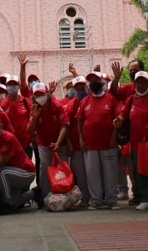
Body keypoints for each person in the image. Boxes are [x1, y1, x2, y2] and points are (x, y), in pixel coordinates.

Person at [114, 71, 148, 211]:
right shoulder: (131, 99)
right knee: (141, 171)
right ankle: (145, 199)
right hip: (137, 143)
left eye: (143, 83)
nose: (140, 85)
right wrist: (119, 120)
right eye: (138, 83)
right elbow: (123, 114)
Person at [77, 71, 120, 210]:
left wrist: (114, 136)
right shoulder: (85, 101)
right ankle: (96, 200)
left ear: (102, 82)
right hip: (90, 145)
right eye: (90, 80)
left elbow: (117, 121)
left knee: (110, 173)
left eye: (96, 79)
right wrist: (80, 138)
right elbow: (79, 121)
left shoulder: (110, 99)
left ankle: (111, 200)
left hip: (108, 144)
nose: (93, 82)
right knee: (92, 173)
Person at [0, 116, 37, 212]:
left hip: (26, 172)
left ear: (0, 127)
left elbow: (1, 161)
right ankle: (34, 193)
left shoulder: (8, 138)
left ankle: (8, 203)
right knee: (16, 203)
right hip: (10, 174)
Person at [28, 83, 70, 200]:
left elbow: (64, 126)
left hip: (59, 144)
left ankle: (64, 195)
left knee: (62, 169)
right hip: (44, 144)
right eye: (36, 95)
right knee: (45, 169)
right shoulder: (35, 109)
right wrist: (35, 118)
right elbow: (30, 130)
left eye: (41, 94)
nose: (39, 96)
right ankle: (46, 197)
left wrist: (58, 142)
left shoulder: (56, 106)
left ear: (47, 94)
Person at [63, 76, 91, 206]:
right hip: (76, 145)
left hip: (91, 144)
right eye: (77, 87)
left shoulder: (91, 100)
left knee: (92, 172)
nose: (80, 89)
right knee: (80, 173)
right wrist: (68, 142)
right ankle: (85, 197)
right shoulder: (71, 105)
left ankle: (96, 196)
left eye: (82, 86)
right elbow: (66, 125)